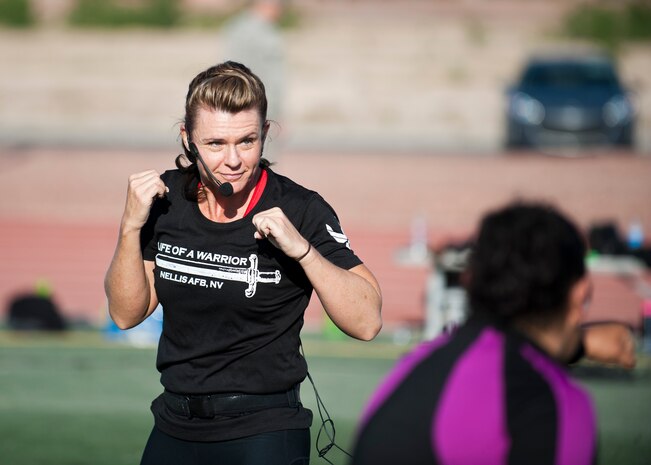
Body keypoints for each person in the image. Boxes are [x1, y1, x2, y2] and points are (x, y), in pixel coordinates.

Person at [104, 61, 382, 465]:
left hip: (264, 429)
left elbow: (367, 322)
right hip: (174, 423)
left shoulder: (301, 208)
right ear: (188, 139)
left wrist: (303, 251)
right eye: (216, 144)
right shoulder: (164, 202)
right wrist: (130, 226)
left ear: (266, 135)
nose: (233, 160)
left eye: (247, 141)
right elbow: (126, 314)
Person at [351, 202, 635, 465]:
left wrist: (580, 344)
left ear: (471, 279)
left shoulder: (414, 366)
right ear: (579, 295)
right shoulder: (551, 400)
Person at [222, 0, 287, 161]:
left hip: (253, 102)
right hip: (256, 104)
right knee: (260, 157)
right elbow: (236, 70)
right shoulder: (254, 31)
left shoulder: (241, 27)